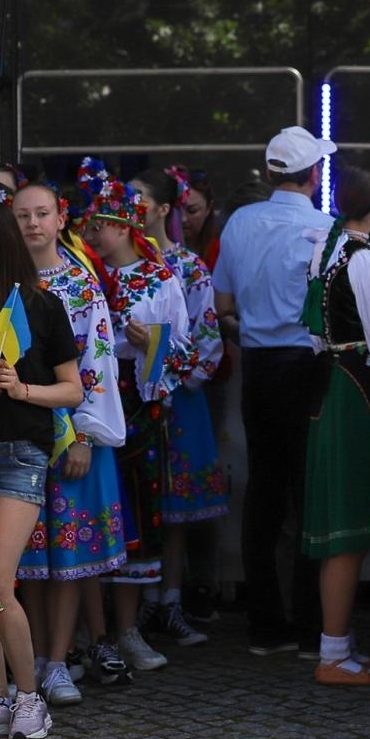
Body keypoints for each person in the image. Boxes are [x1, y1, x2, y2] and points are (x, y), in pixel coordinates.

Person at [212, 126, 336, 656]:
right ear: (315, 176)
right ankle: (313, 627)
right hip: (308, 365)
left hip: (258, 364)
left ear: (269, 173)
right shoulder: (325, 228)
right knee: (309, 492)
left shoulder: (239, 223)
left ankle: (265, 625)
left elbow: (222, 306)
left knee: (264, 491)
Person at [10, 183, 127, 703]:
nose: (32, 223)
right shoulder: (8, 283)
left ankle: (58, 661)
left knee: (68, 554)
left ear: (62, 220)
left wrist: (81, 435)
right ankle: (30, 653)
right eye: (21, 215)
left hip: (70, 436)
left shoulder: (81, 285)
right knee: (28, 557)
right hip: (18, 434)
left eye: (42, 214)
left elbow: (98, 366)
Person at [79, 159, 191, 677]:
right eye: (87, 225)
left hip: (139, 405)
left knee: (136, 514)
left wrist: (155, 346)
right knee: (88, 512)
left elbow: (186, 352)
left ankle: (126, 630)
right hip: (85, 399)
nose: (92, 234)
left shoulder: (159, 279)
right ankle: (88, 635)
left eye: (99, 225)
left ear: (124, 225)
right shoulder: (84, 276)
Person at [299, 166, 370, 688]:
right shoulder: (365, 262)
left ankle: (341, 645)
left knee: (344, 520)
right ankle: (333, 652)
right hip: (355, 390)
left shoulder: (324, 250)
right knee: (345, 526)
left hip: (329, 384)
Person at [0, 205, 84, 739]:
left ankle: (30, 699)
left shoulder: (42, 306)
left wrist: (20, 389)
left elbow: (74, 390)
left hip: (20, 453)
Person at [131, 167, 223, 649]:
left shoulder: (188, 266)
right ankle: (136, 605)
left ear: (164, 209)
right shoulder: (115, 263)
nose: (130, 208)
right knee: (139, 501)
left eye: (139, 199)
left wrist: (173, 379)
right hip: (129, 399)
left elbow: (207, 337)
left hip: (178, 400)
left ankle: (168, 600)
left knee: (176, 508)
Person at [178, 169, 223, 271]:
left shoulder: (220, 252)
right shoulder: (156, 250)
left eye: (192, 211)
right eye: (177, 211)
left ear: (208, 208)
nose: (183, 219)